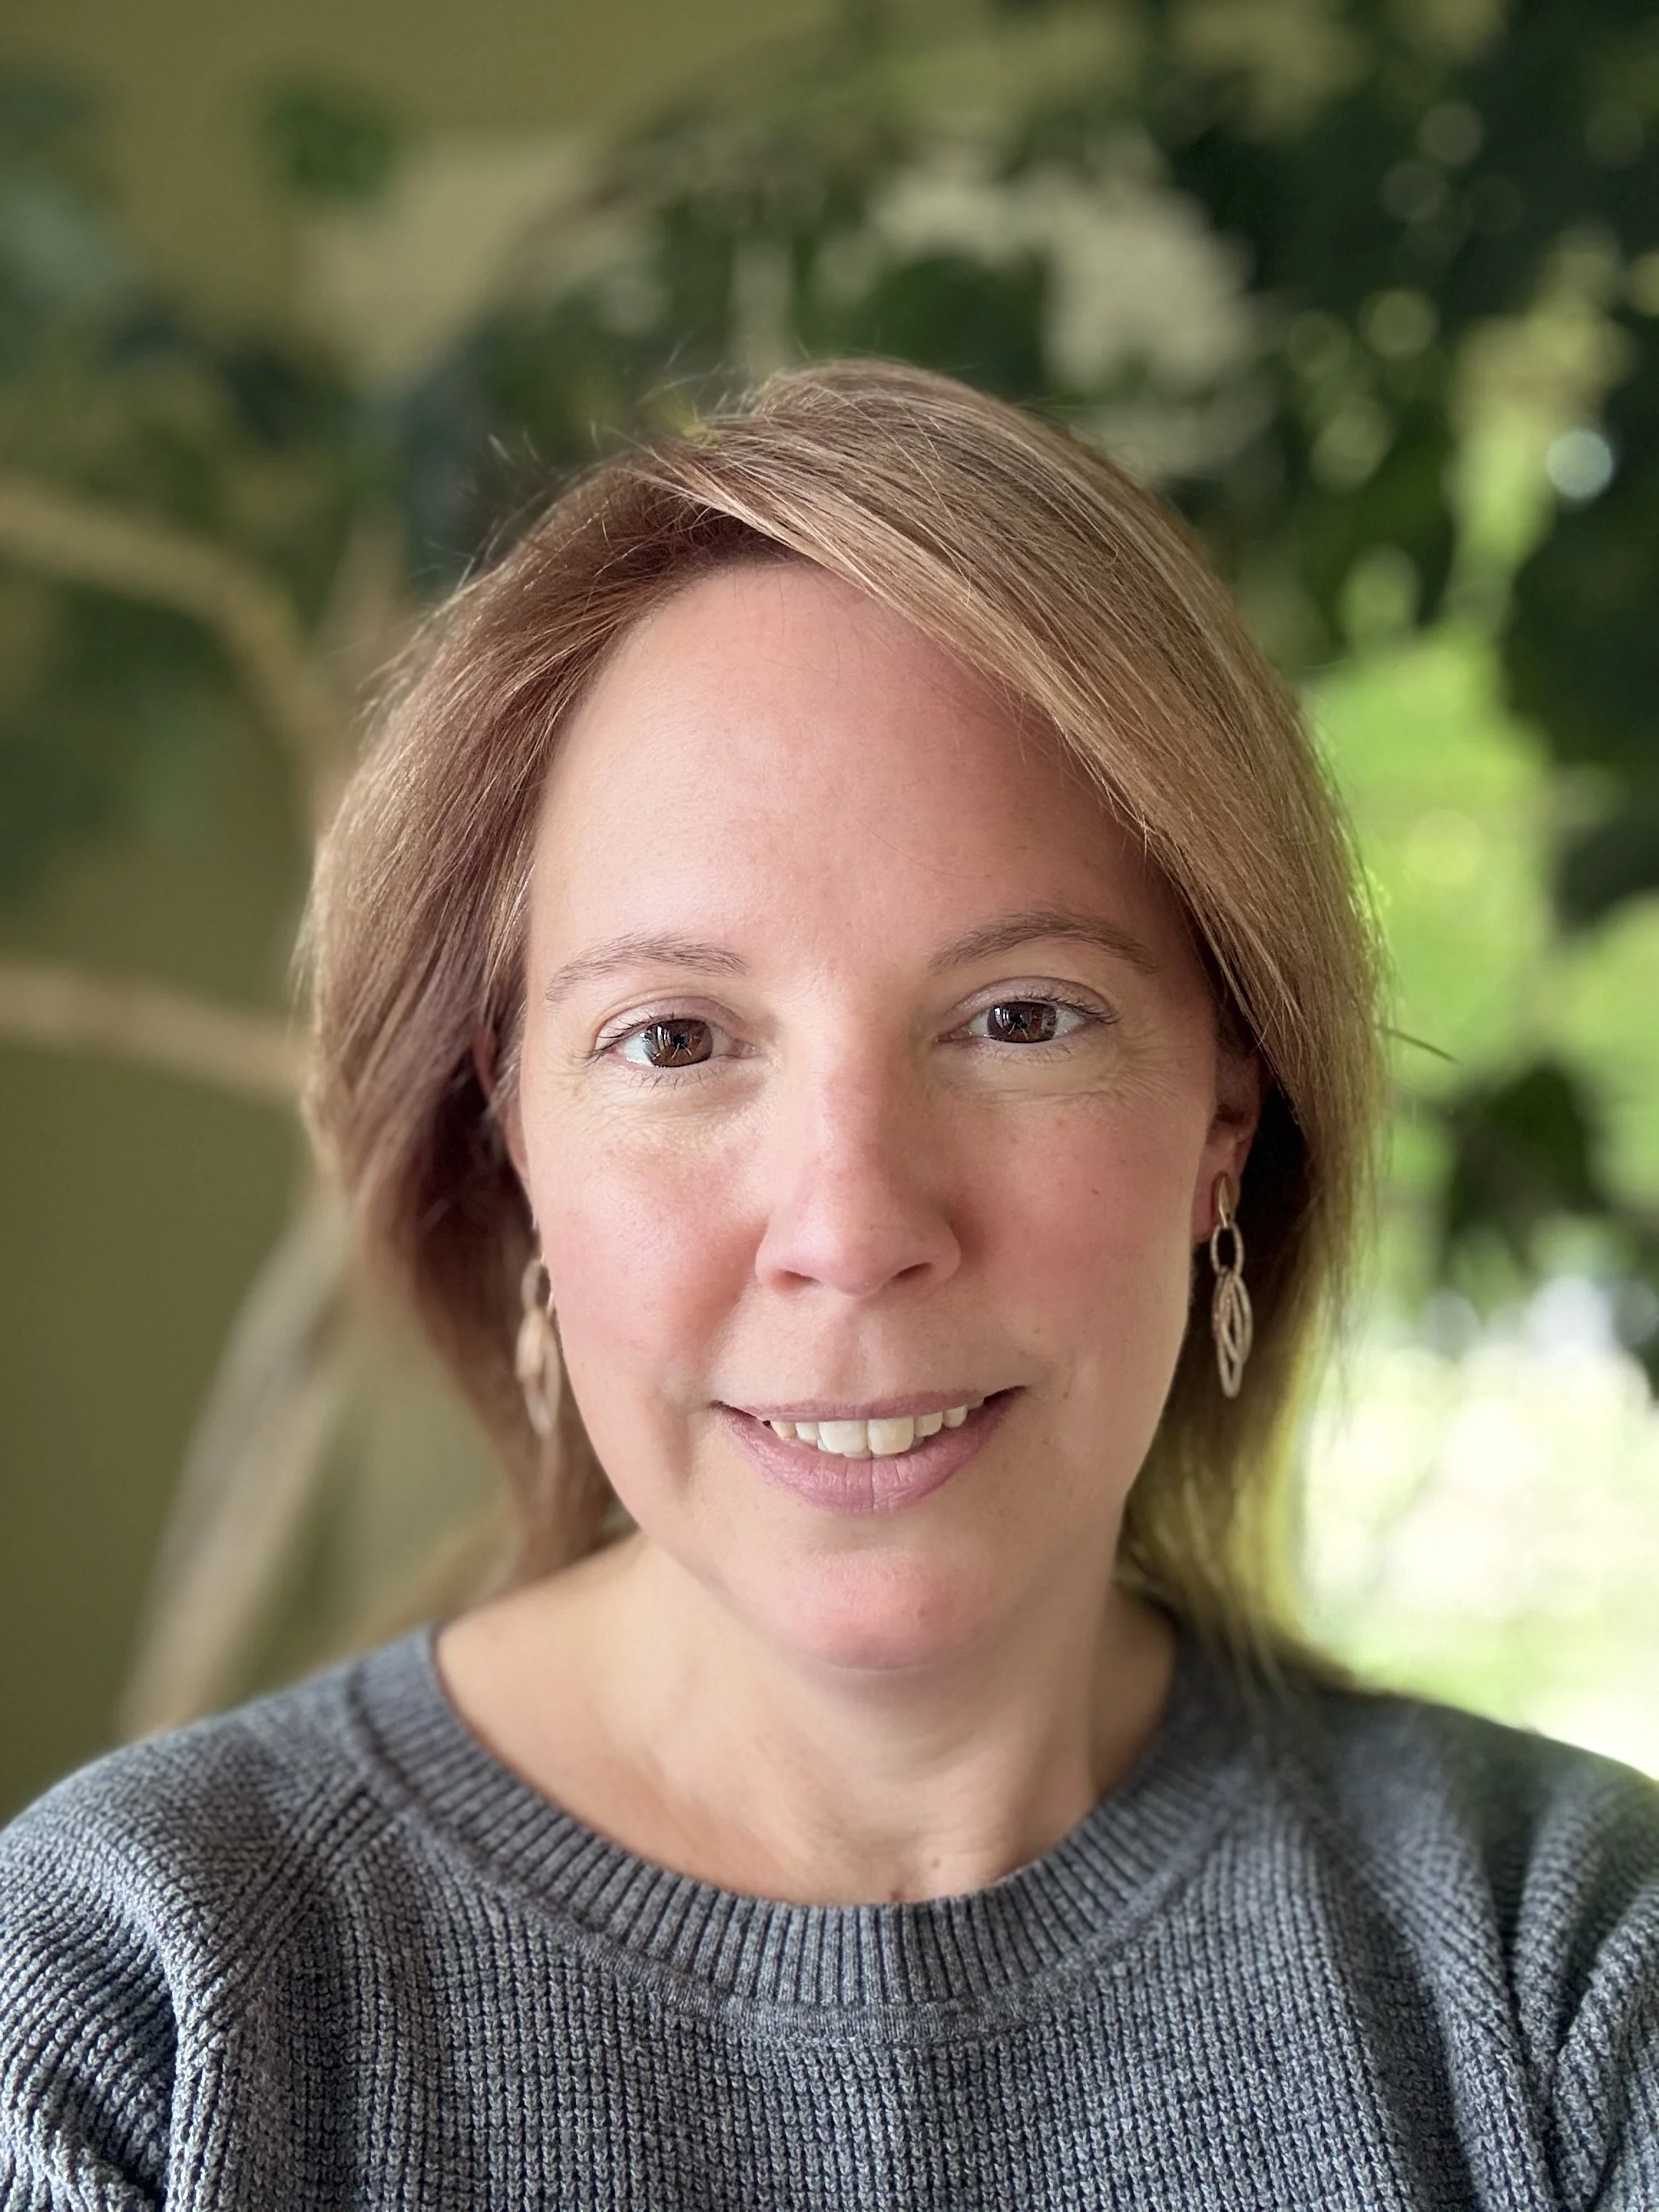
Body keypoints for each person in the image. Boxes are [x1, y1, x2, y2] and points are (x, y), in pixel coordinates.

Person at [1, 360, 1654, 2211]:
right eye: (676, 1038)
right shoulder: (136, 1995)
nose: (851, 1222)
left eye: (1021, 1018)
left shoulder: (1568, 1969)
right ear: (514, 1143)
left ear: (1222, 1118)